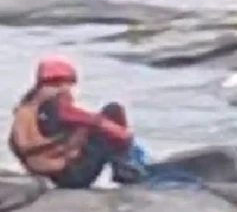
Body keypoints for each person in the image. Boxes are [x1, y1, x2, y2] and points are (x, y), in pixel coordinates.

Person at [8, 54, 148, 188]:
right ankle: (126, 170)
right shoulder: (44, 108)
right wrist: (120, 135)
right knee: (112, 112)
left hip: (60, 171)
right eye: (56, 84)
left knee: (107, 120)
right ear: (42, 85)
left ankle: (126, 163)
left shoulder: (33, 108)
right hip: (70, 174)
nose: (64, 88)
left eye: (68, 83)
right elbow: (93, 121)